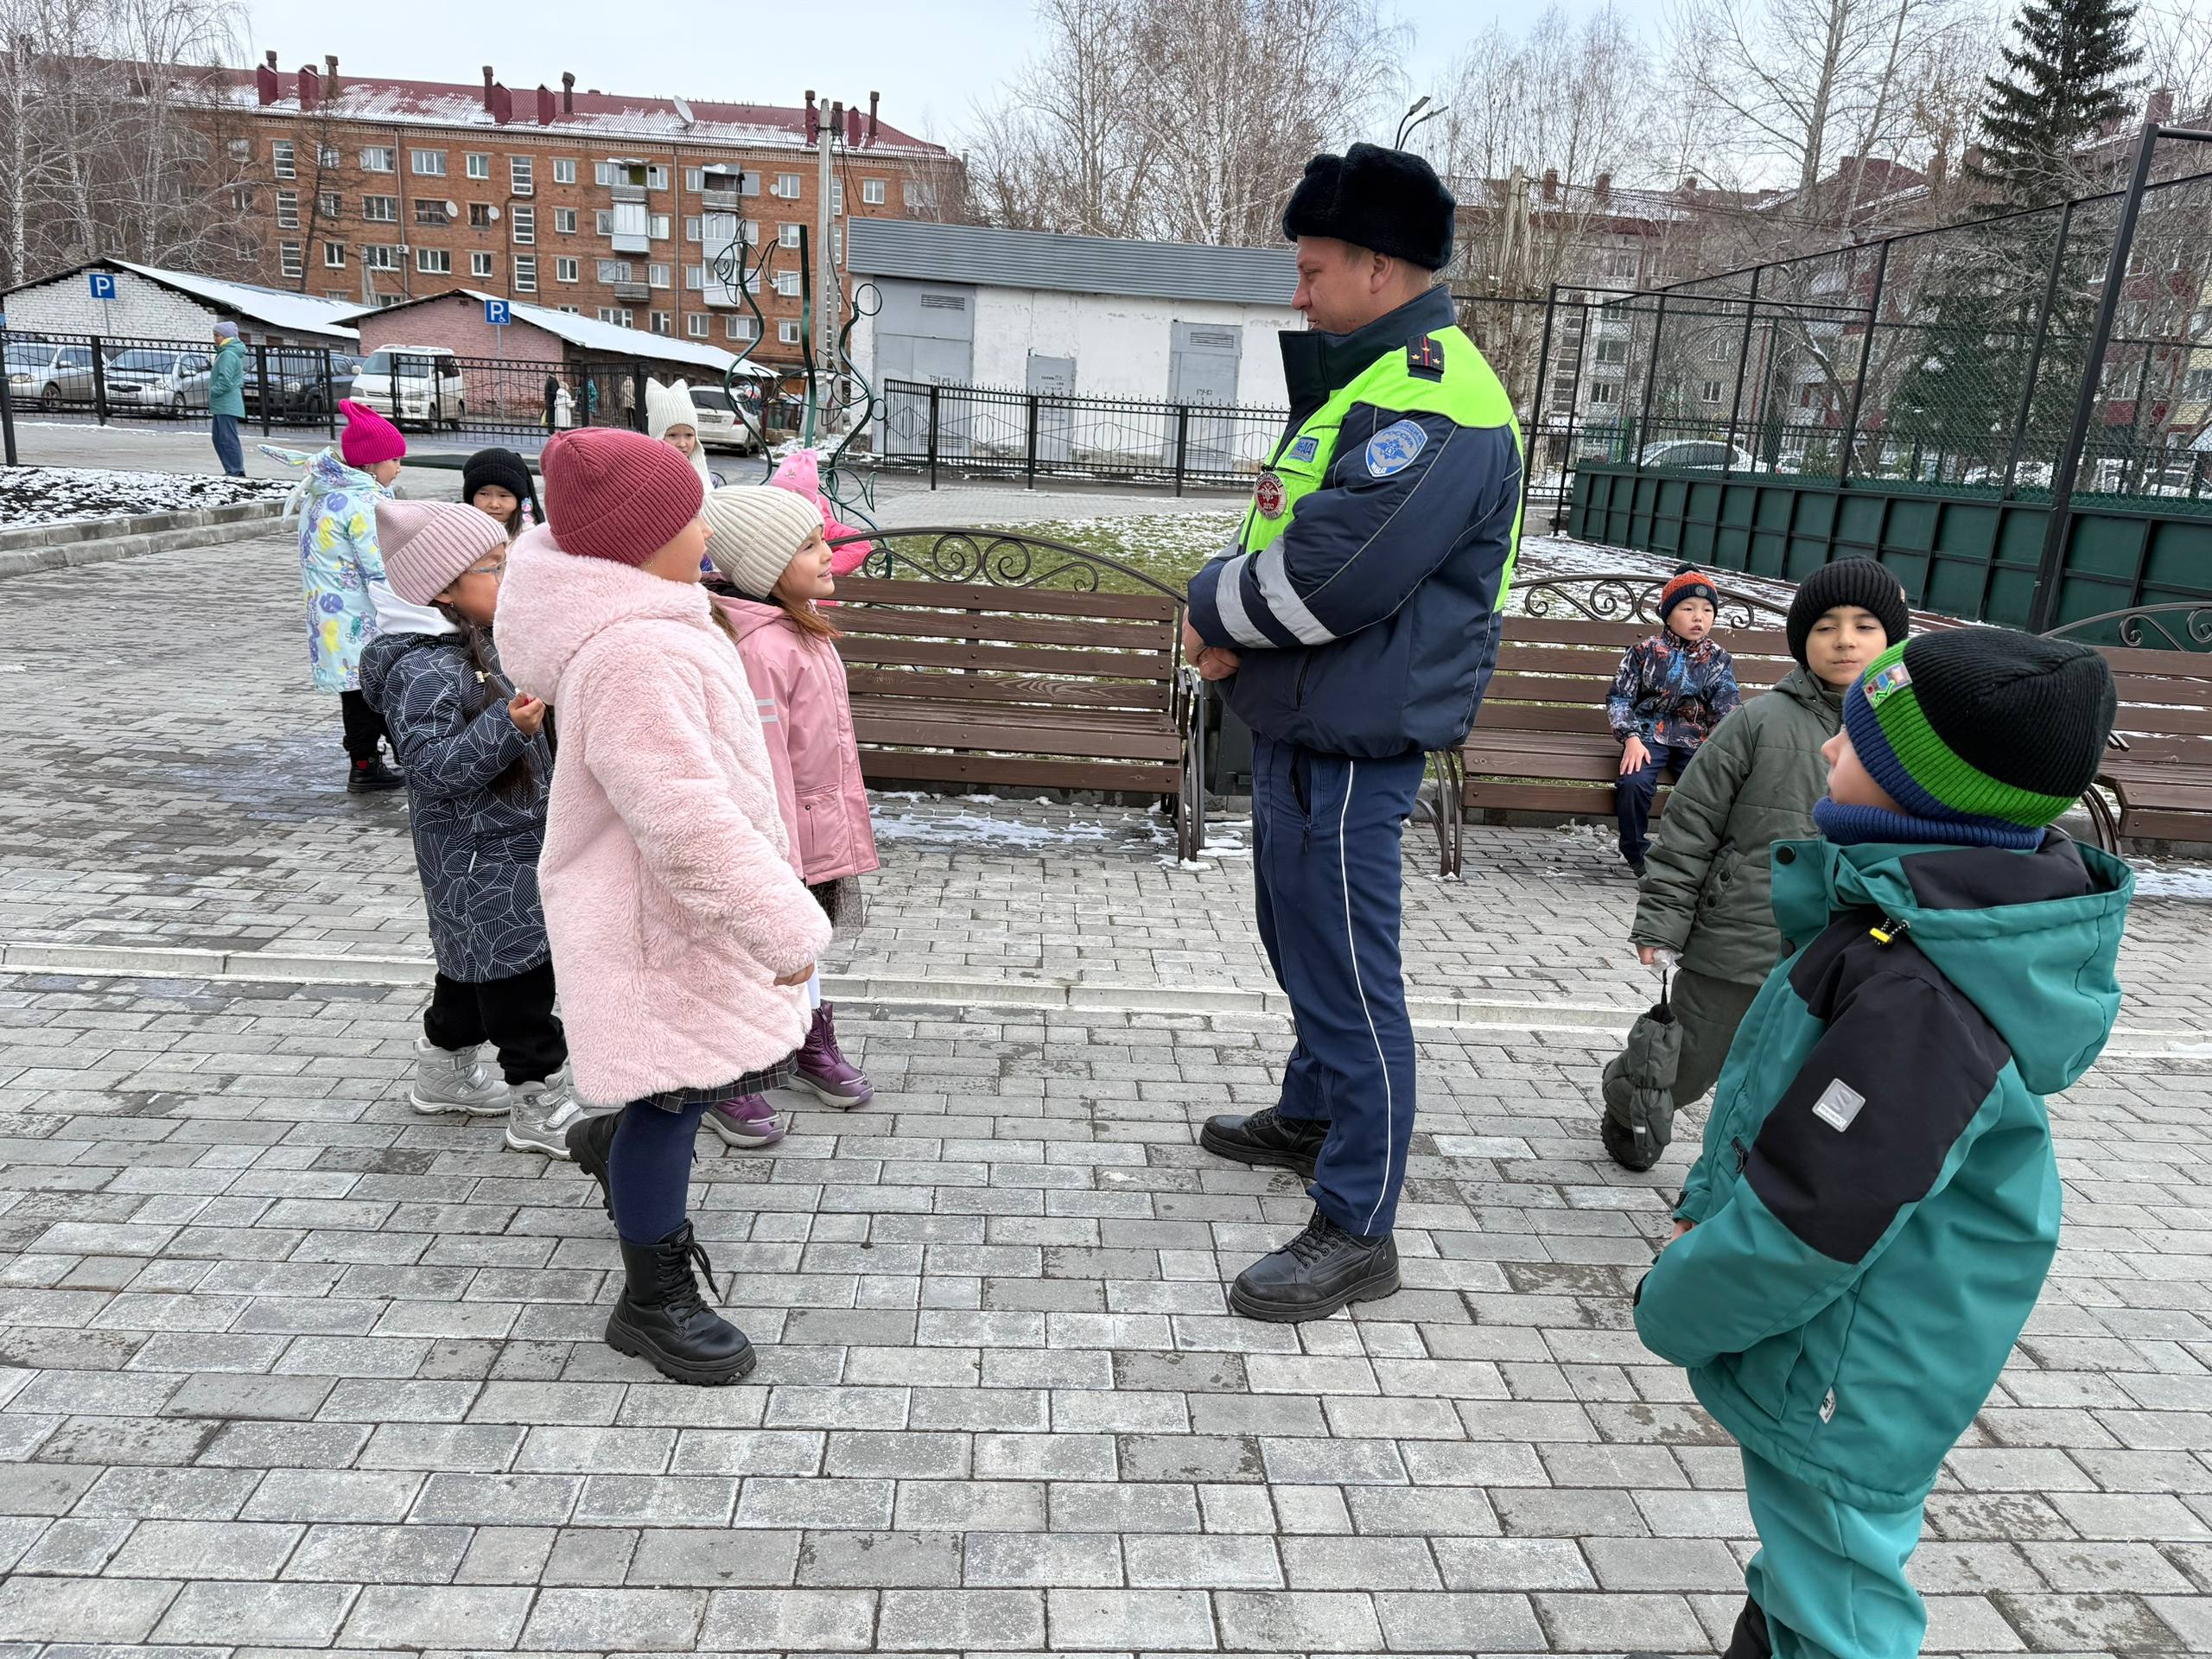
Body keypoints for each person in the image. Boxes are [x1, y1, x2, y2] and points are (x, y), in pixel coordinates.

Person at [1626, 627, 2130, 1659]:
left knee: (1841, 1602)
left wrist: (1675, 1301)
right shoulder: (1907, 919)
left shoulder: (1917, 994)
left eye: (1855, 740)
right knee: (1809, 1569)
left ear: (1923, 789)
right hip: (1863, 1342)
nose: (1825, 748)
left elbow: (1814, 1216)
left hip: (1856, 1365)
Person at [1184, 143, 1523, 1322]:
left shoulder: (1436, 399)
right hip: (1308, 717)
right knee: (1299, 940)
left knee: (1349, 978)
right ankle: (1313, 1114)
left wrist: (1210, 609)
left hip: (1353, 738)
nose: (1299, 292)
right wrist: (1234, 614)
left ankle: (1358, 1221)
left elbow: (1335, 573)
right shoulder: (1374, 379)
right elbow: (1286, 528)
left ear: (1380, 267)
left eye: (1313, 268)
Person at [494, 428, 830, 1385]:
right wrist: (781, 924)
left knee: (688, 1083)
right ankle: (650, 1299)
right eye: (690, 517)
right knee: (671, 1099)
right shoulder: (635, 653)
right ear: (642, 542)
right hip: (658, 921)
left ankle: (610, 1146)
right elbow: (681, 818)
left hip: (675, 912)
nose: (706, 528)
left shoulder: (653, 620)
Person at [1603, 560, 1910, 1171]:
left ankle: (1777, 1168)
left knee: (1815, 1072)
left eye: (1864, 626)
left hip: (1855, 945)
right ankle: (1632, 1107)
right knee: (1689, 1058)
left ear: (1892, 638)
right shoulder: (1758, 721)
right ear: (1802, 640)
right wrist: (1663, 919)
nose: (1845, 641)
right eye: (1825, 626)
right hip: (1740, 935)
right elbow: (1691, 824)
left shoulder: (1915, 732)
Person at [359, 501, 577, 1155]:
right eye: (493, 568)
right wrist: (508, 727)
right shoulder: (424, 671)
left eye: (507, 562)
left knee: (469, 970)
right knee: (519, 984)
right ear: (443, 590)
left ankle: (443, 1071)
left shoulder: (489, 644)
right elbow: (432, 769)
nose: (508, 578)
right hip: (476, 861)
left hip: (514, 846)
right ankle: (537, 1101)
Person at [700, 485, 881, 1146]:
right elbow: (764, 759)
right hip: (779, 832)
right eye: (808, 546)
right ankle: (729, 1070)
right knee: (757, 950)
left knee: (803, 942)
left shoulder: (797, 625)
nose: (828, 554)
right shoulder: (756, 645)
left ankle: (805, 1036)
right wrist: (776, 855)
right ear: (765, 566)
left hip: (813, 818)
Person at [275, 399, 409, 791]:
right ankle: (398, 758)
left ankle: (365, 763)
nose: (399, 467)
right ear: (370, 464)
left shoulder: (322, 496)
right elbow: (380, 564)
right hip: (364, 616)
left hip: (330, 616)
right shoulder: (363, 503)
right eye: (394, 459)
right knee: (382, 688)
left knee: (356, 691)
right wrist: (412, 600)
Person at [1609, 567, 1741, 876]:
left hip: (1694, 738)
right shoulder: (1644, 652)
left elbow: (1726, 706)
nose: (1699, 618)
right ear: (1668, 615)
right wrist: (1630, 738)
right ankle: (1637, 853)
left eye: (1707, 610)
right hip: (1647, 736)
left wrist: (1720, 746)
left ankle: (1692, 856)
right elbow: (1620, 698)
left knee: (1708, 791)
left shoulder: (1717, 659)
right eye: (1688, 609)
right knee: (1634, 783)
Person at [461, 447, 543, 541]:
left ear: (519, 499)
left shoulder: (528, 537)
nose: (494, 504)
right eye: (484, 494)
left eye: (503, 495)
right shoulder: (459, 528)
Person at [646, 379, 713, 487]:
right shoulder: (649, 477)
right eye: (672, 435)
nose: (682, 444)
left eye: (689, 435)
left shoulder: (706, 478)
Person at [207, 321, 248, 478]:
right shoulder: (225, 353)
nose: (214, 339)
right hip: (222, 404)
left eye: (217, 335)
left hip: (226, 403)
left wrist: (213, 392)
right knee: (219, 438)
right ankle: (232, 469)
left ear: (226, 337)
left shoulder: (227, 355)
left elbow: (225, 380)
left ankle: (235, 470)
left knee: (227, 439)